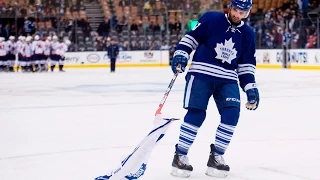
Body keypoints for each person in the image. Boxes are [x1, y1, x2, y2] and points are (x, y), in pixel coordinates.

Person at [170, 0, 260, 178]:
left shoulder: (248, 34)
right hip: (201, 74)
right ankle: (180, 155)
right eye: (235, 10)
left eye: (242, 12)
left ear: (248, 13)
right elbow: (191, 38)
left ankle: (216, 156)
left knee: (232, 114)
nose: (237, 15)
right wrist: (181, 53)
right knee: (197, 114)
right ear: (230, 7)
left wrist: (251, 87)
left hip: (228, 80)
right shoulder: (212, 19)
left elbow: (246, 65)